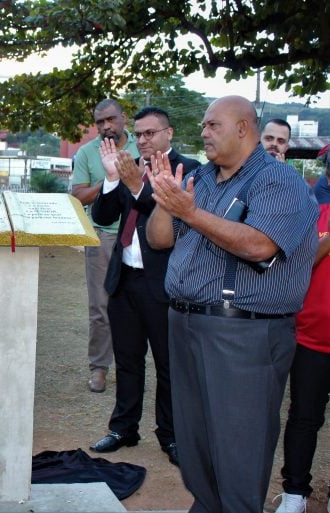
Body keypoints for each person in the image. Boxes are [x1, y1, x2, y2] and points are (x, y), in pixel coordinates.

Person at [145, 95, 318, 513]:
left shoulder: (278, 181)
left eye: (212, 125)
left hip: (244, 333)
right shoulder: (202, 178)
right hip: (187, 324)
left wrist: (191, 213)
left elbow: (260, 246)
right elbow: (158, 239)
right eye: (203, 125)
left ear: (243, 129)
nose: (203, 132)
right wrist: (168, 201)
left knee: (238, 451)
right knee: (196, 445)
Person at [89, 106, 200, 466]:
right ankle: (124, 428)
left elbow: (169, 215)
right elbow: (104, 217)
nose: (143, 140)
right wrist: (110, 180)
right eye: (138, 134)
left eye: (150, 133)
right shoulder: (128, 166)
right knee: (128, 360)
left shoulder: (191, 169)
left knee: (168, 365)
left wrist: (137, 185)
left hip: (164, 282)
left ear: (169, 133)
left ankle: (170, 435)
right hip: (125, 279)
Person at [272, 153, 330, 513]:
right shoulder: (314, 212)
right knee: (304, 416)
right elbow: (297, 263)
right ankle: (295, 493)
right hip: (312, 337)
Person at [71, 99, 138, 393]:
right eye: (100, 122)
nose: (106, 126)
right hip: (102, 234)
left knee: (137, 305)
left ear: (124, 118)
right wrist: (111, 178)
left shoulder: (143, 148)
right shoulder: (87, 152)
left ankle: (132, 368)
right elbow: (78, 196)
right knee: (101, 305)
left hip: (139, 234)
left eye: (111, 119)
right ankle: (99, 367)